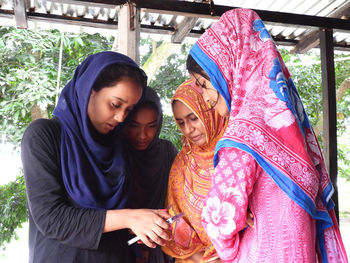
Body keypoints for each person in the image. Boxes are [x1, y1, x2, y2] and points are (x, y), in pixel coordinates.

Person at [186, 8, 348, 263]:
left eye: (204, 84)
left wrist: (231, 240)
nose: (205, 97)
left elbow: (220, 220)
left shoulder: (243, 134)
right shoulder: (288, 124)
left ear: (230, 71)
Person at [21, 51, 171, 263]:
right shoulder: (45, 135)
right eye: (115, 104)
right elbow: (52, 218)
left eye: (128, 110)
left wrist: (147, 223)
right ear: (89, 90)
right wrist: (130, 217)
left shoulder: (118, 145)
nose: (121, 117)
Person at [162, 80, 228, 263]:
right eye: (181, 122)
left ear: (212, 109)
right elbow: (175, 221)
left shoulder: (235, 153)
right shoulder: (183, 162)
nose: (188, 130)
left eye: (193, 118)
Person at [123, 86, 178, 263]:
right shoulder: (114, 155)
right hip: (118, 246)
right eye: (134, 126)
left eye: (151, 126)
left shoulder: (166, 152)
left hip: (160, 246)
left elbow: (180, 197)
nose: (142, 135)